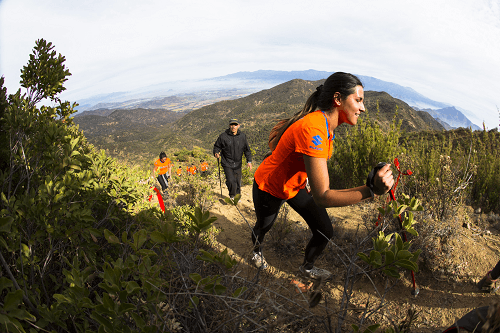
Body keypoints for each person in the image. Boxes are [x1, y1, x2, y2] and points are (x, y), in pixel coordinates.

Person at [250, 72, 394, 280]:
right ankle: (256, 250)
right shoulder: (314, 129)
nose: (363, 108)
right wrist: (371, 191)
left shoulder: (326, 126)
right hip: (269, 185)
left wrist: (308, 178)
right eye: (358, 100)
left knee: (324, 229)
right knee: (263, 226)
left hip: (294, 186)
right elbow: (323, 196)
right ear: (338, 99)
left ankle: (307, 267)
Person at [213, 118, 253, 199]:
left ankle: (237, 197)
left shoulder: (242, 136)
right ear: (229, 126)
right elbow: (217, 146)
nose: (233, 127)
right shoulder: (223, 136)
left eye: (235, 125)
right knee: (231, 181)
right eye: (232, 125)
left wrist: (249, 161)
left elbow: (247, 150)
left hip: (238, 163)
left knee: (238, 181)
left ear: (238, 126)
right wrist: (216, 153)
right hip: (227, 162)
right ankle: (232, 196)